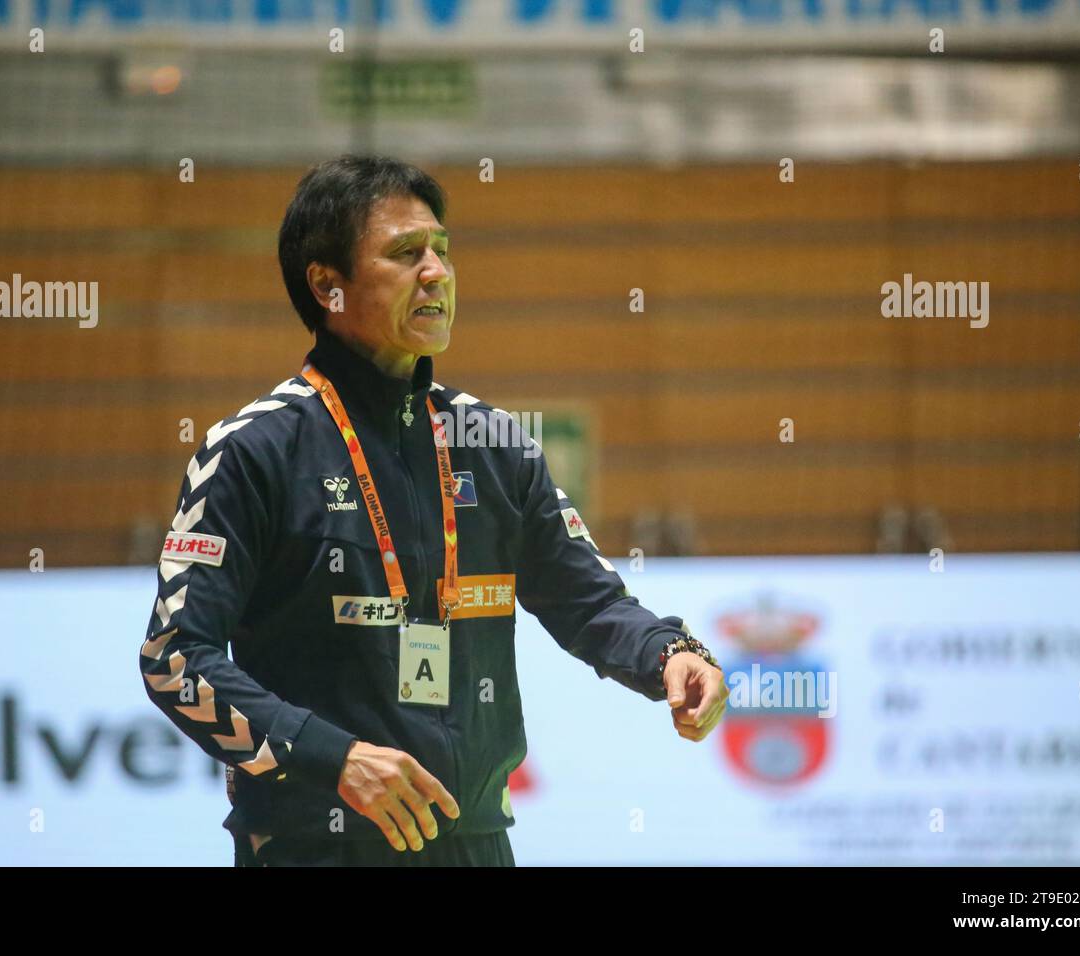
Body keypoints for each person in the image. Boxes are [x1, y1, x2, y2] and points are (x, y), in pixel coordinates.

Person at [138, 155, 727, 867]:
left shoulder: (494, 443)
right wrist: (337, 758)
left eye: (442, 251)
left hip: (476, 843)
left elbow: (590, 601)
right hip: (314, 848)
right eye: (404, 253)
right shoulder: (253, 452)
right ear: (328, 286)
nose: (436, 273)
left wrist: (669, 653)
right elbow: (175, 660)